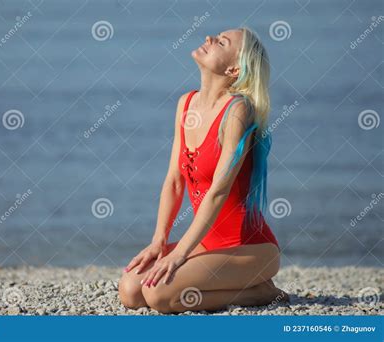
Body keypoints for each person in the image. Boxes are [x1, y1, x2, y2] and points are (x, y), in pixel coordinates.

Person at [118, 27, 289, 314]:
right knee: (131, 291)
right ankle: (247, 288)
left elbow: (218, 191)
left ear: (235, 68)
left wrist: (180, 253)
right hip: (207, 244)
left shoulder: (238, 110)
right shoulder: (186, 103)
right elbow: (174, 182)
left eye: (222, 42)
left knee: (159, 296)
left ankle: (259, 292)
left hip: (249, 249)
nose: (209, 38)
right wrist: (159, 241)